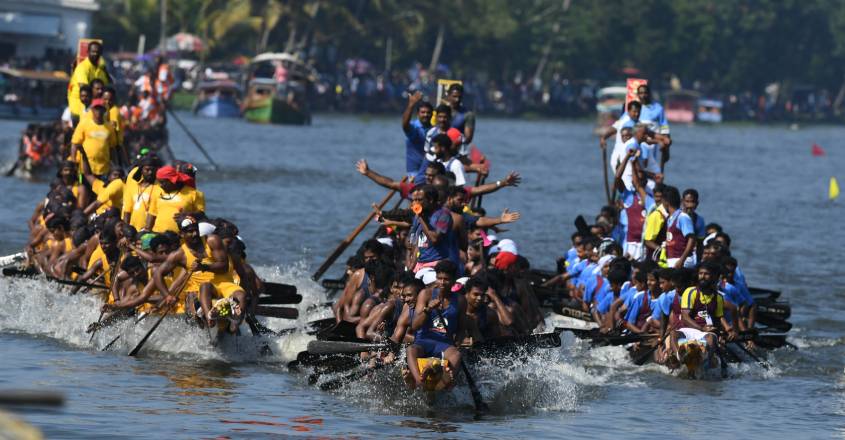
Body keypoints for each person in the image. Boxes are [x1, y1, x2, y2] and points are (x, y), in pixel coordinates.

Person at [405, 260, 467, 390]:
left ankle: (444, 384)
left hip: (445, 344)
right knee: (410, 350)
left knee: (456, 355)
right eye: (439, 278)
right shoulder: (426, 294)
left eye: (446, 279)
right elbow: (415, 325)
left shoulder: (460, 300)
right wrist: (428, 310)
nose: (442, 283)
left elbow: (461, 329)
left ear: (454, 280)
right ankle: (419, 382)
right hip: (424, 341)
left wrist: (459, 342)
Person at [669, 261, 737, 371]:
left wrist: (723, 334)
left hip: (706, 333)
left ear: (714, 277)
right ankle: (679, 357)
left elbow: (718, 319)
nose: (702, 277)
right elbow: (685, 317)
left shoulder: (718, 298)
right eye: (700, 274)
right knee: (673, 333)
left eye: (706, 274)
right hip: (689, 330)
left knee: (711, 338)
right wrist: (701, 328)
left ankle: (704, 363)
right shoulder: (690, 292)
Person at [615, 149, 654, 261]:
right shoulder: (628, 196)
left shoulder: (651, 199)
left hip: (645, 245)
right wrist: (628, 157)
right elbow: (617, 177)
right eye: (637, 179)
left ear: (646, 182)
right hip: (629, 244)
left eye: (642, 179)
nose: (639, 181)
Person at [409, 185, 457, 272]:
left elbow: (434, 239)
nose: (415, 203)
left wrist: (420, 217)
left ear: (430, 200)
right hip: (420, 264)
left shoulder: (443, 215)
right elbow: (416, 242)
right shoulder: (419, 215)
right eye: (414, 200)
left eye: (419, 200)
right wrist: (411, 266)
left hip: (437, 264)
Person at [145, 166, 204, 233]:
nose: (160, 185)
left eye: (162, 182)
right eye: (159, 182)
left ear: (173, 180)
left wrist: (188, 214)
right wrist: (147, 230)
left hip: (182, 237)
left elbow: (201, 215)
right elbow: (152, 213)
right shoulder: (158, 192)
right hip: (158, 235)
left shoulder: (194, 194)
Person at [70, 99, 118, 178]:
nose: (98, 111)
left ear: (104, 110)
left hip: (104, 169)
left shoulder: (109, 127)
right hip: (85, 169)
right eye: (96, 109)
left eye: (101, 109)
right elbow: (74, 144)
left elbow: (112, 148)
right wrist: (73, 161)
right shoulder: (84, 124)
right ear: (92, 109)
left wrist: (115, 167)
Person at [67, 41, 110, 125]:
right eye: (93, 51)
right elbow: (85, 89)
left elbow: (108, 85)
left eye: (97, 52)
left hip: (93, 109)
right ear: (87, 52)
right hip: (78, 109)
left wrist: (106, 71)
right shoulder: (82, 68)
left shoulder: (100, 69)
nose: (95, 54)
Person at [123, 154, 162, 231]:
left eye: (152, 170)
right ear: (141, 170)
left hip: (149, 230)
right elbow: (127, 210)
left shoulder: (159, 187)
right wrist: (126, 230)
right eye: (147, 170)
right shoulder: (134, 186)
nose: (150, 172)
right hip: (132, 229)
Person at [662, 186, 696, 268]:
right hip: (672, 259)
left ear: (666, 202)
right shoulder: (670, 218)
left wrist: (682, 260)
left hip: (681, 260)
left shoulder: (682, 217)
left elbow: (691, 239)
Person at [400, 91, 433, 177]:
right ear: (418, 114)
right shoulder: (414, 127)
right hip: (414, 173)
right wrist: (411, 105)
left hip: (430, 173)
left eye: (428, 112)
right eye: (423, 112)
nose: (425, 115)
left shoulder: (434, 130)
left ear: (432, 114)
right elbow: (404, 125)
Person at [446, 83, 476, 154]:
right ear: (448, 96)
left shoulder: (468, 115)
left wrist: (456, 143)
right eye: (454, 96)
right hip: (442, 149)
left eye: (459, 97)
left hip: (458, 151)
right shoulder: (441, 111)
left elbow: (468, 138)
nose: (457, 99)